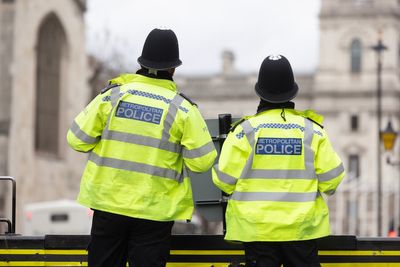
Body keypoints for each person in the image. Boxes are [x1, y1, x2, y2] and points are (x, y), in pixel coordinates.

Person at [67, 28, 217, 267]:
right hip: (154, 212)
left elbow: (76, 139)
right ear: (173, 68)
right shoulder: (183, 110)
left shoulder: (112, 97)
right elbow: (203, 162)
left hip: (108, 204)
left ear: (142, 62)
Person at [212, 55, 345, 267]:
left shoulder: (244, 131)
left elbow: (223, 180)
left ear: (259, 91)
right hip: (301, 231)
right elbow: (332, 180)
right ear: (292, 91)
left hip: (257, 231)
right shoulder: (312, 131)